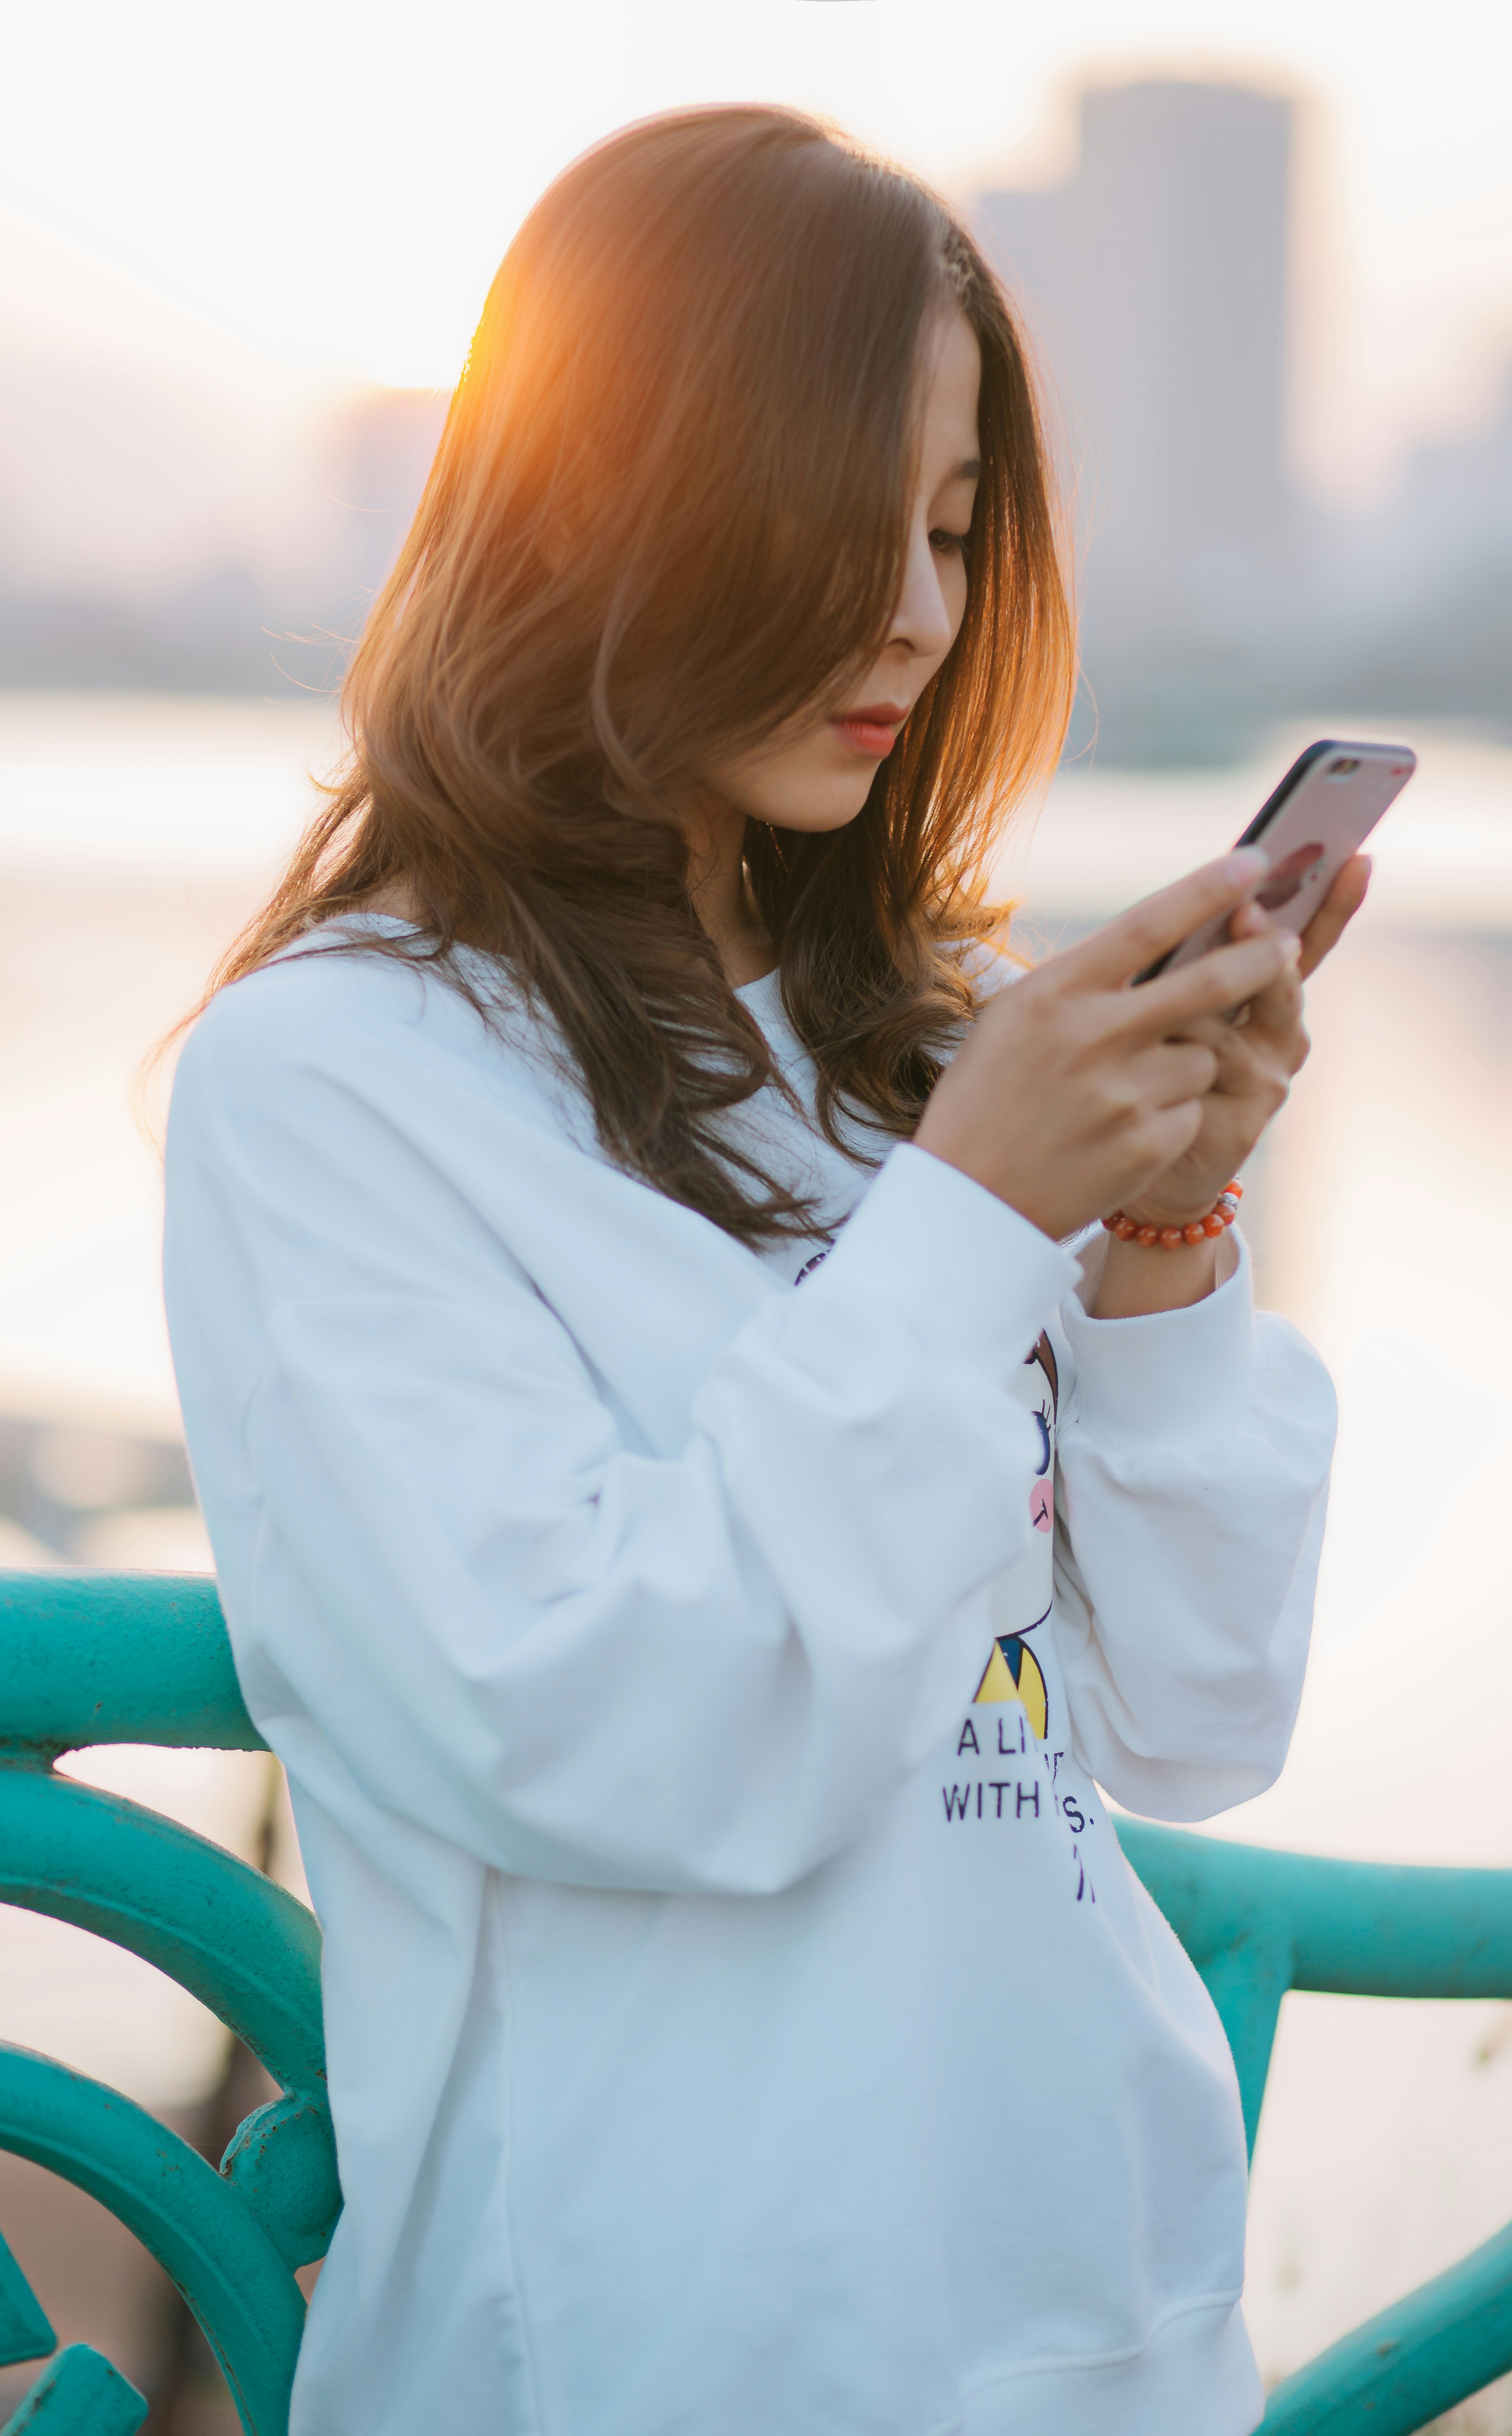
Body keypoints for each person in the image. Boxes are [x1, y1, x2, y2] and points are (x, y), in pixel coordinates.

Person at [163, 104, 1360, 2436]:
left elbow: (1195, 1715)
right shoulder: (333, 1080)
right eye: (843, 523)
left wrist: (1163, 1233)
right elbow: (612, 1725)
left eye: (952, 529)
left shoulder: (929, 1034)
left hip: (1109, 2345)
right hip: (661, 2359)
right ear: (604, 501)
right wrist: (972, 1220)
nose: (917, 610)